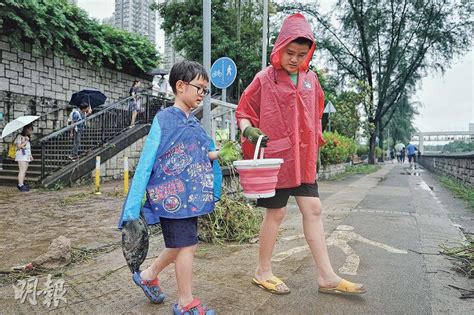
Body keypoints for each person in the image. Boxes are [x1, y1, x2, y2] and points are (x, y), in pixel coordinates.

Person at [235, 13, 365, 296]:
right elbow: (244, 112)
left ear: (309, 53)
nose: (294, 59)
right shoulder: (264, 79)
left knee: (314, 209)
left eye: (301, 54)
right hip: (276, 160)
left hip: (303, 159)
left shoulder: (311, 80)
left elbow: (316, 114)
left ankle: (326, 276)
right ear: (279, 48)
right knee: (276, 213)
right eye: (289, 52)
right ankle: (263, 271)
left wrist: (315, 138)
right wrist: (248, 131)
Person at [118, 60, 221, 315]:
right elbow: (147, 161)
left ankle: (148, 275)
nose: (202, 94)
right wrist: (133, 206)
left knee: (179, 244)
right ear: (180, 86)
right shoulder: (163, 120)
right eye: (199, 88)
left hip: (191, 198)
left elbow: (199, 154)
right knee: (187, 246)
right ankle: (185, 302)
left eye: (205, 91)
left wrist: (213, 158)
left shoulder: (195, 126)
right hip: (171, 197)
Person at [15, 124, 33, 192]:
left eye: (31, 130)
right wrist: (25, 141)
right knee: (22, 171)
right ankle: (20, 185)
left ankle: (22, 183)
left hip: (27, 156)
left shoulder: (28, 137)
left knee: (24, 171)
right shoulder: (19, 136)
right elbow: (19, 146)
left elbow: (28, 148)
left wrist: (31, 155)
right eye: (30, 129)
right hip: (21, 155)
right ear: (26, 129)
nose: (31, 131)